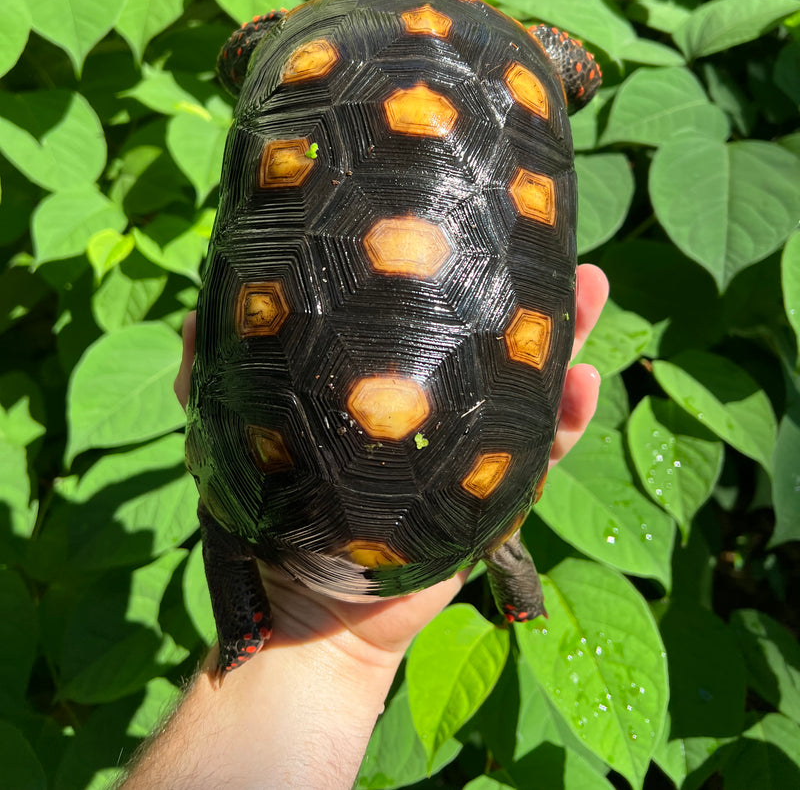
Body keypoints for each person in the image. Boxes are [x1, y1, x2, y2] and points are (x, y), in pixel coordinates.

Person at [119, 264, 609, 790]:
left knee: (229, 513)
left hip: (283, 489)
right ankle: (511, 575)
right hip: (462, 500)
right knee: (495, 533)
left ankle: (246, 628)